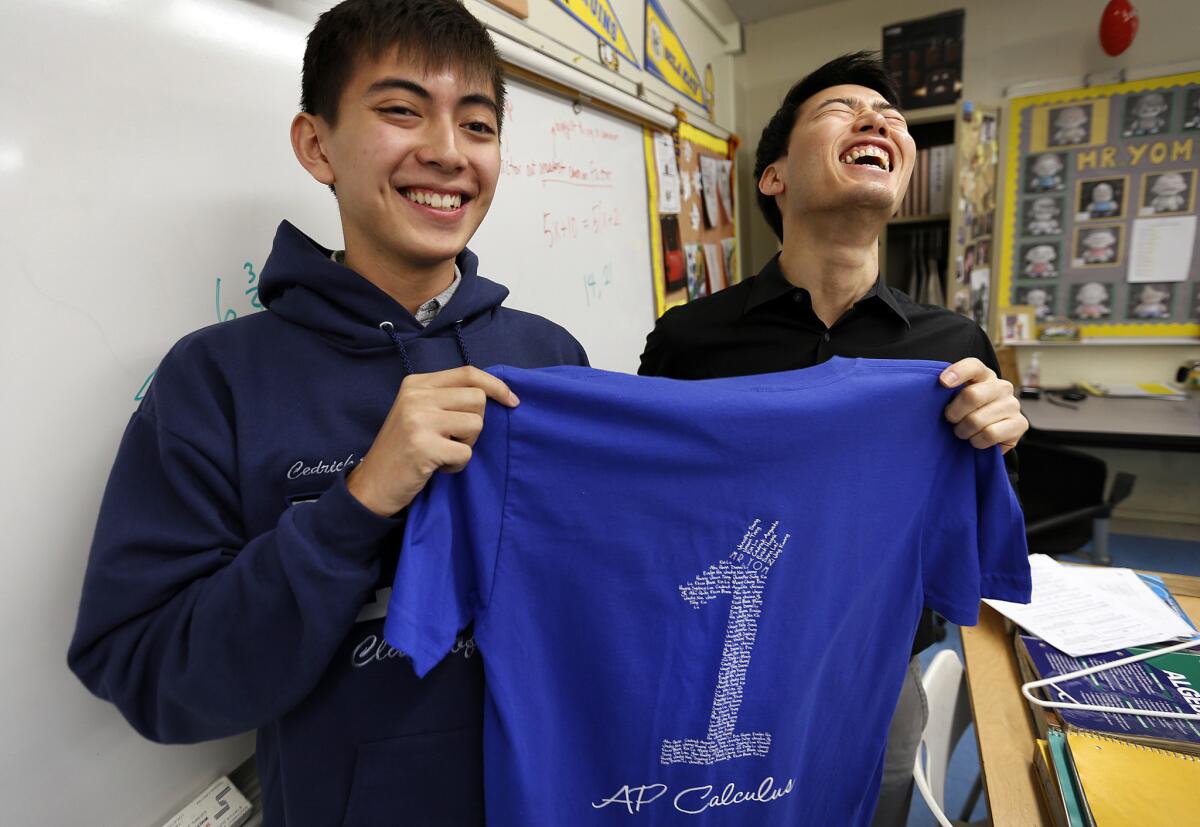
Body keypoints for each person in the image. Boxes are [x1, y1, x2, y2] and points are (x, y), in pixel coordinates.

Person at [66, 1, 586, 824]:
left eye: (478, 125)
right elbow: (147, 671)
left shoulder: (550, 355)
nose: (448, 152)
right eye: (400, 111)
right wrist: (357, 505)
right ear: (317, 145)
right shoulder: (215, 378)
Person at [638, 52, 1027, 827]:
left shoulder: (952, 347)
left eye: (892, 119)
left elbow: (977, 528)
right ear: (773, 177)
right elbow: (645, 505)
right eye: (841, 109)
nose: (878, 120)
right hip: (717, 663)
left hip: (874, 670)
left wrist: (1003, 444)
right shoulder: (692, 339)